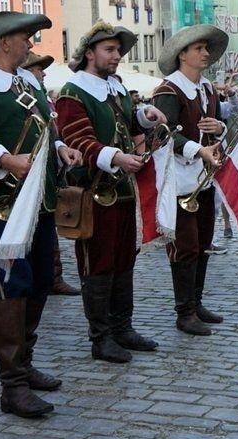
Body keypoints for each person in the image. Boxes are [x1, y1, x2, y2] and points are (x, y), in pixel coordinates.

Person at [0, 11, 82, 418]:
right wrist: (7, 160)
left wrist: (60, 149)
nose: (31, 44)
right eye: (26, 37)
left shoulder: (27, 81)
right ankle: (12, 385)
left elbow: (47, 127)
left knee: (40, 279)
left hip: (38, 198)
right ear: (4, 41)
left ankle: (23, 364)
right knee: (8, 286)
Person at [56, 23, 163, 357]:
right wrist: (115, 155)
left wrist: (144, 117)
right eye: (110, 50)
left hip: (121, 188)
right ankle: (100, 338)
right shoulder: (73, 92)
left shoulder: (115, 87)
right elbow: (78, 138)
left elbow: (127, 125)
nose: (117, 56)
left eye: (118, 50)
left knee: (123, 259)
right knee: (97, 263)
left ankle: (122, 328)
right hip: (93, 190)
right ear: (90, 53)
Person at [150, 24, 230, 333]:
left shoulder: (207, 88)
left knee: (204, 242)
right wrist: (199, 149)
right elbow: (163, 134)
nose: (206, 53)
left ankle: (195, 303)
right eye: (199, 48)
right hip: (178, 178)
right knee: (185, 245)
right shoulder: (168, 90)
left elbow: (218, 124)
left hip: (204, 176)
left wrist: (219, 130)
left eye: (206, 49)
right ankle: (184, 312)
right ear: (182, 54)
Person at [22, 54, 79, 297]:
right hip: (25, 178)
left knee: (46, 236)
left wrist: (59, 147)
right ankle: (47, 278)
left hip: (47, 173)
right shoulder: (25, 95)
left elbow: (49, 132)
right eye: (38, 69)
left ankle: (52, 276)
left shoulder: (39, 97)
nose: (43, 73)